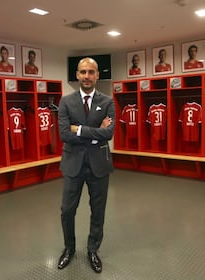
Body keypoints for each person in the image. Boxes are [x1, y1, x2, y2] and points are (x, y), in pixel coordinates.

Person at [57, 57, 115, 273]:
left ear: (97, 75)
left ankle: (93, 249)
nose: (87, 76)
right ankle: (69, 248)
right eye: (83, 72)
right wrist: (95, 133)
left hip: (99, 165)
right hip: (73, 164)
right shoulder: (66, 101)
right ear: (77, 75)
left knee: (97, 210)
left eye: (91, 72)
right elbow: (64, 134)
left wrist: (78, 129)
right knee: (67, 210)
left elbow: (108, 133)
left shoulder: (108, 102)